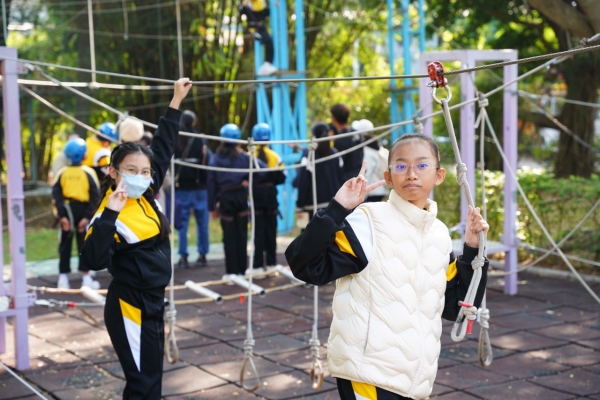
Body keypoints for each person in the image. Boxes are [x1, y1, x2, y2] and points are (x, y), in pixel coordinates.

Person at [285, 133, 489, 400]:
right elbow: (304, 265)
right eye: (401, 166)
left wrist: (472, 250)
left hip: (414, 381)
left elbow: (455, 307)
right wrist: (337, 209)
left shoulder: (438, 234)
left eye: (422, 165)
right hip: (368, 374)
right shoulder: (369, 221)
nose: (412, 174)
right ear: (389, 177)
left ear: (439, 175)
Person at [80, 78, 192, 399]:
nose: (141, 177)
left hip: (153, 301)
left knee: (151, 381)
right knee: (142, 384)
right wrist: (111, 214)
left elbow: (163, 147)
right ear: (114, 172)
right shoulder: (108, 214)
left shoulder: (144, 193)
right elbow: (92, 259)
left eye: (145, 171)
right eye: (132, 170)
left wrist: (176, 100)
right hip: (130, 306)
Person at [207, 123, 266, 280]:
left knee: (229, 236)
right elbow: (263, 169)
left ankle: (231, 272)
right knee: (241, 233)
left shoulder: (215, 159)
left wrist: (211, 207)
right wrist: (248, 181)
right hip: (240, 196)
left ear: (221, 140)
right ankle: (242, 270)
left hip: (225, 197)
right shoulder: (243, 157)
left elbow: (211, 183)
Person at [52, 138, 101, 289]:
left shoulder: (62, 173)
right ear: (83, 155)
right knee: (84, 245)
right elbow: (95, 196)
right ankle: (85, 278)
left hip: (66, 211)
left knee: (65, 245)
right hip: (82, 211)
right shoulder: (89, 172)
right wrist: (87, 217)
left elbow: (56, 196)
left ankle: (63, 279)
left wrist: (62, 217)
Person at [174, 110, 211, 268]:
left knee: (182, 224)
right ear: (194, 123)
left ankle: (183, 257)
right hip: (199, 187)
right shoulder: (200, 138)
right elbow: (208, 159)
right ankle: (202, 255)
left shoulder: (175, 138)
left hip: (181, 188)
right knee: (202, 223)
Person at [249, 123, 285, 274]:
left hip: (255, 199)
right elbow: (282, 178)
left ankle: (257, 266)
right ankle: (271, 263)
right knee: (271, 232)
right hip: (270, 199)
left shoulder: (248, 156)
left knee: (258, 233)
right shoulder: (275, 157)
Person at [294, 122, 344, 218]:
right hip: (334, 205)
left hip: (314, 208)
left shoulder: (309, 155)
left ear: (313, 136)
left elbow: (303, 181)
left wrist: (299, 205)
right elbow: (342, 178)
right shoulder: (336, 154)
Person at [352, 119, 389, 202]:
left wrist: (362, 194)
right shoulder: (376, 146)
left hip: (372, 191)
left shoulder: (367, 150)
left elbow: (367, 172)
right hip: (379, 189)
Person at [239, 0, 277, 76]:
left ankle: (267, 64)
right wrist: (245, 4)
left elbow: (267, 12)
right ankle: (265, 65)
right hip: (254, 30)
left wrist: (274, 6)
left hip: (262, 29)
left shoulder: (261, 4)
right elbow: (241, 11)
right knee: (267, 41)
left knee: (269, 42)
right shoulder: (248, 5)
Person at [330, 103, 364, 181]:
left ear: (334, 119)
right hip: (360, 176)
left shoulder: (339, 140)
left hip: (347, 180)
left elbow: (338, 165)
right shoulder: (357, 133)